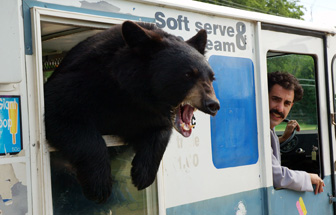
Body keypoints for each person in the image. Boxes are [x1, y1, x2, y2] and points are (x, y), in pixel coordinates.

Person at [268, 71, 324, 194]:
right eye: (275, 99)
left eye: (287, 103)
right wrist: (309, 177)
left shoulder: (268, 129)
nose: (280, 109)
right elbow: (275, 176)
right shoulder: (253, 130)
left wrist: (282, 138)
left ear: (291, 105)